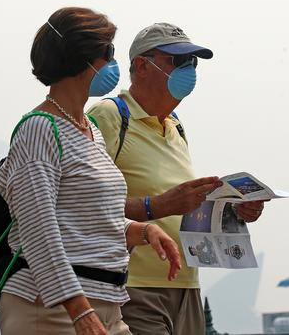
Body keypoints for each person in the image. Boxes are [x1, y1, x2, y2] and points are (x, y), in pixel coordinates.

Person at [0, 9, 181, 335]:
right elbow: (39, 231)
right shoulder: (40, 129)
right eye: (108, 52)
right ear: (81, 59)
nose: (113, 62)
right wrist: (80, 311)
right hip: (51, 309)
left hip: (106, 303)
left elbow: (86, 218)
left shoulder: (90, 132)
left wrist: (141, 231)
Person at [88, 22, 266, 335]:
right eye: (179, 61)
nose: (190, 71)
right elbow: (82, 204)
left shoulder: (176, 126)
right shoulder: (110, 116)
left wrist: (233, 211)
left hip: (186, 285)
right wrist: (157, 205)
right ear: (142, 65)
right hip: (133, 285)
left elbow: (182, 207)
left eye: (193, 63)